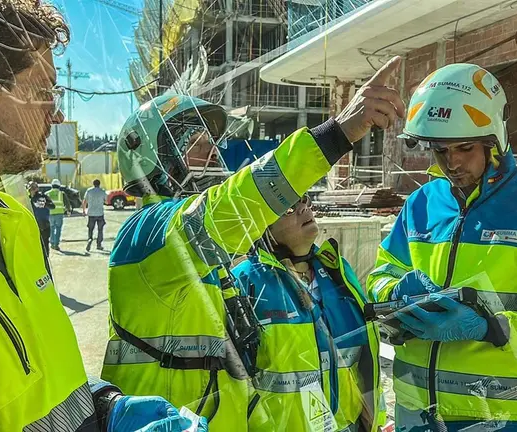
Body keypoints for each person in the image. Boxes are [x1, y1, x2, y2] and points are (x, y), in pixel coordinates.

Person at [0, 1, 204, 430]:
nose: (57, 112)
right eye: (45, 90)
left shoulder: (14, 219)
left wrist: (102, 407)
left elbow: (40, 379)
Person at [101, 57, 405, 430]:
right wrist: (337, 133)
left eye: (212, 142)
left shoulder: (206, 258)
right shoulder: (146, 236)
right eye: (197, 143)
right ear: (158, 159)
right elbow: (236, 202)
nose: (213, 153)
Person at [366, 63, 517, 431]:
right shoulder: (420, 204)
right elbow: (379, 277)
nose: (452, 162)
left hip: (502, 417)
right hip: (417, 409)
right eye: (439, 150)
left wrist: (490, 328)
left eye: (465, 148)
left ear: (494, 140)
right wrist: (396, 289)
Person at [231, 193, 387, 431]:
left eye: (304, 200)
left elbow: (366, 354)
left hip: (349, 424)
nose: (304, 208)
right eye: (289, 209)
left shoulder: (337, 270)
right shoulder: (246, 282)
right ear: (263, 226)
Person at [28, 180, 55, 255]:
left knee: (45, 245)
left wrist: (44, 204)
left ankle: (46, 260)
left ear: (37, 188)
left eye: (34, 188)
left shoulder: (43, 196)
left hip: (44, 224)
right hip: (33, 225)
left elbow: (52, 206)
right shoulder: (28, 199)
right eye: (31, 189)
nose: (33, 190)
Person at [83, 178, 106, 252]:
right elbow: (106, 200)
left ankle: (90, 239)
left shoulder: (89, 191)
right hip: (100, 213)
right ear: (99, 184)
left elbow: (85, 201)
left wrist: (84, 211)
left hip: (91, 213)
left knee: (90, 228)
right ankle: (99, 244)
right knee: (100, 229)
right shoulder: (102, 191)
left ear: (93, 184)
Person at [47, 178, 67, 250]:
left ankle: (52, 243)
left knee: (51, 228)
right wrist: (68, 210)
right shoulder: (62, 193)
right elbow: (67, 203)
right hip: (59, 213)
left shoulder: (47, 193)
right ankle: (56, 244)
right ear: (59, 186)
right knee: (58, 229)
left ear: (52, 185)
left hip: (50, 213)